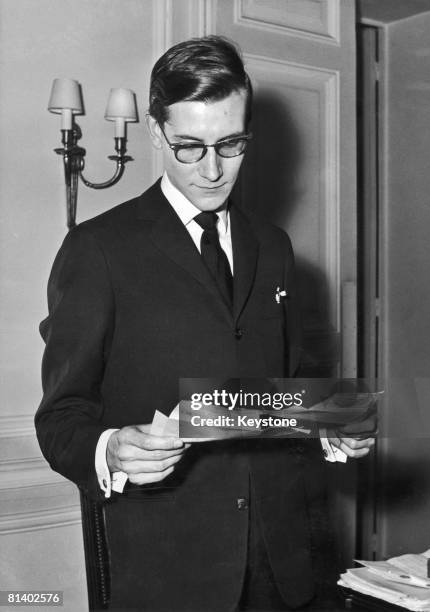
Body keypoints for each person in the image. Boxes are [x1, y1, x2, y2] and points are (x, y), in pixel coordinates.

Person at [36, 35, 374, 611]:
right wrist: (110, 449)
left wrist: (332, 427)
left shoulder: (274, 247)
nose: (214, 170)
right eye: (189, 146)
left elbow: (283, 393)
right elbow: (61, 416)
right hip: (168, 573)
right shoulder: (98, 249)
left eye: (231, 144)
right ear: (155, 133)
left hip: (282, 564)